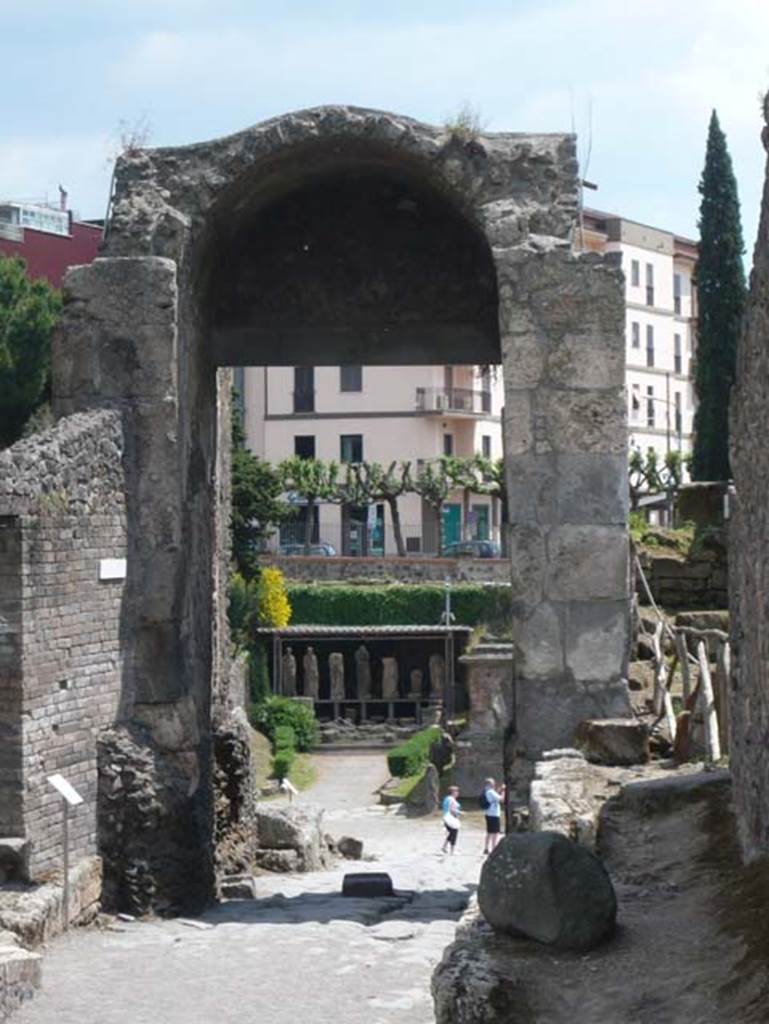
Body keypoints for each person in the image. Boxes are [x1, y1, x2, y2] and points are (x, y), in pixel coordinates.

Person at [482, 777, 505, 855]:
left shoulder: (487, 791)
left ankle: (486, 848)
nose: (494, 784)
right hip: (494, 814)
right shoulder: (491, 792)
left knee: (489, 832)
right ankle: (494, 849)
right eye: (493, 783)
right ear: (490, 784)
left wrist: (499, 790)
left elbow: (495, 796)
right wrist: (503, 791)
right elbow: (501, 799)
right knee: (495, 832)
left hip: (489, 813)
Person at [441, 786, 461, 854]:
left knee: (451, 833)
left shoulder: (447, 798)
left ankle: (444, 846)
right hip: (451, 818)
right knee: (454, 833)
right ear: (453, 792)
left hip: (446, 817)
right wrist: (460, 812)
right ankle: (452, 850)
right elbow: (452, 809)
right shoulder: (451, 799)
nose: (457, 793)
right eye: (456, 791)